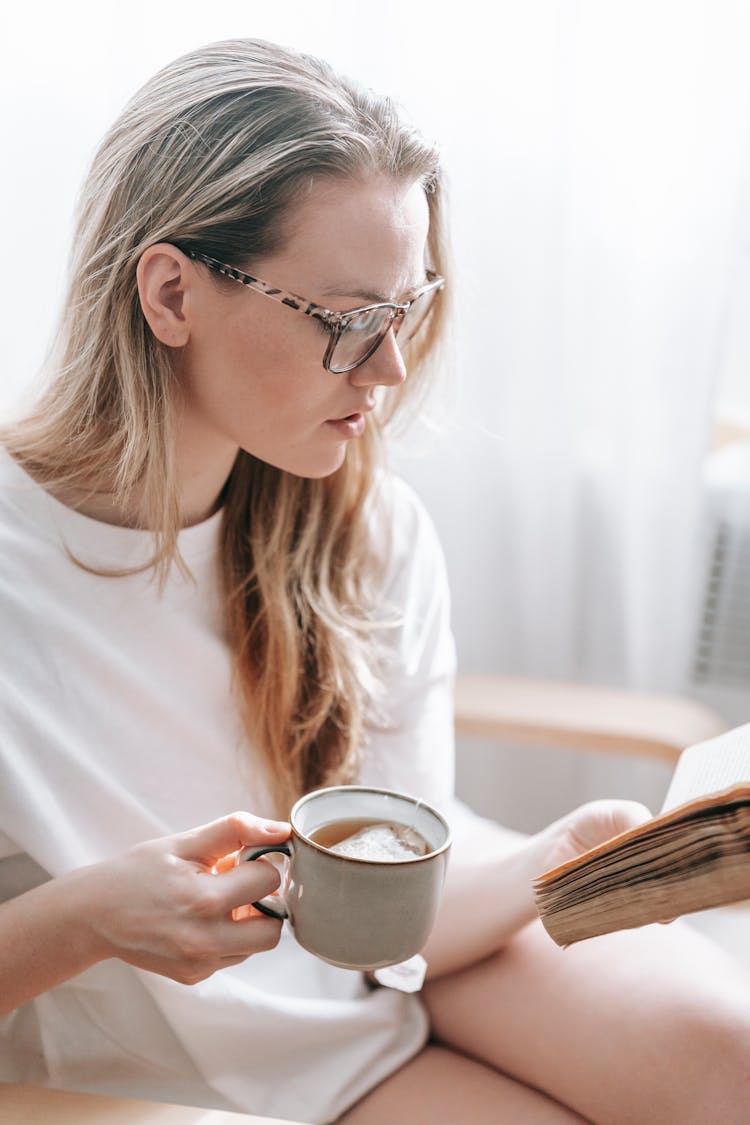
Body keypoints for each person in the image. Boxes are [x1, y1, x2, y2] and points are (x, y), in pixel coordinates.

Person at [0, 37, 748, 1125]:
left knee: (730, 1067)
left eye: (405, 311)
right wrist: (86, 919)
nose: (392, 370)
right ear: (170, 294)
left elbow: (387, 926)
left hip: (367, 992)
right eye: (351, 323)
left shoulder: (364, 528)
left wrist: (556, 858)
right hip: (167, 1074)